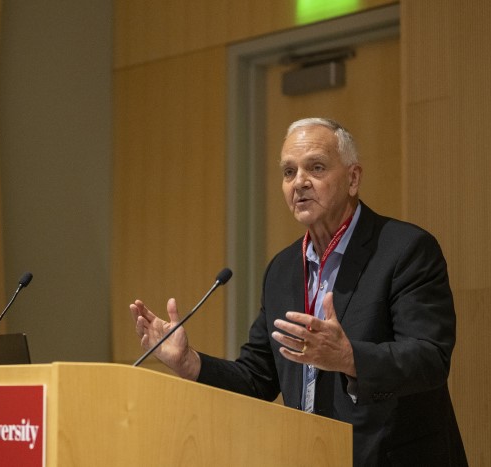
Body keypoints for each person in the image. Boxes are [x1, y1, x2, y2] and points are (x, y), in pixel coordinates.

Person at [130, 118, 467, 466]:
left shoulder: (405, 250)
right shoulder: (283, 270)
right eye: (289, 172)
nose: (299, 183)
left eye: (316, 168)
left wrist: (349, 358)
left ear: (353, 178)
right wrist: (190, 363)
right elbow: (257, 378)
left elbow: (429, 358)